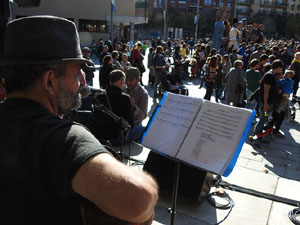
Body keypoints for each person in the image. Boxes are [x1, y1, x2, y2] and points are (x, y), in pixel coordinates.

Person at [0, 16, 158, 225]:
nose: (83, 81)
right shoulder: (64, 138)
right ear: (50, 81)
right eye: (77, 73)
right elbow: (140, 201)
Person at [251, 59, 284, 144]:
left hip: (269, 103)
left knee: (264, 119)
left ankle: (259, 137)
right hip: (266, 103)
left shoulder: (271, 74)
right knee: (262, 119)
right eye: (281, 68)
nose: (281, 70)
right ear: (278, 67)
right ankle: (254, 138)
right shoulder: (269, 75)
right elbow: (266, 90)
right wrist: (265, 104)